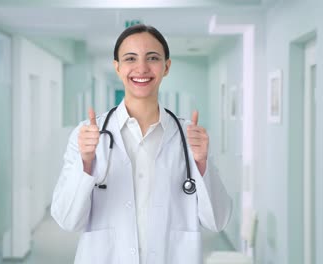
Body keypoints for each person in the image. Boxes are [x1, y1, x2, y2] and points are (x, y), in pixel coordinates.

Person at [51, 24, 232, 264]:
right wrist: (85, 163)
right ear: (117, 67)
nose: (142, 68)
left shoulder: (191, 137)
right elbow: (67, 220)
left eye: (153, 58)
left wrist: (201, 163)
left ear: (166, 67)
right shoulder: (87, 136)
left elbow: (218, 220)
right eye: (130, 58)